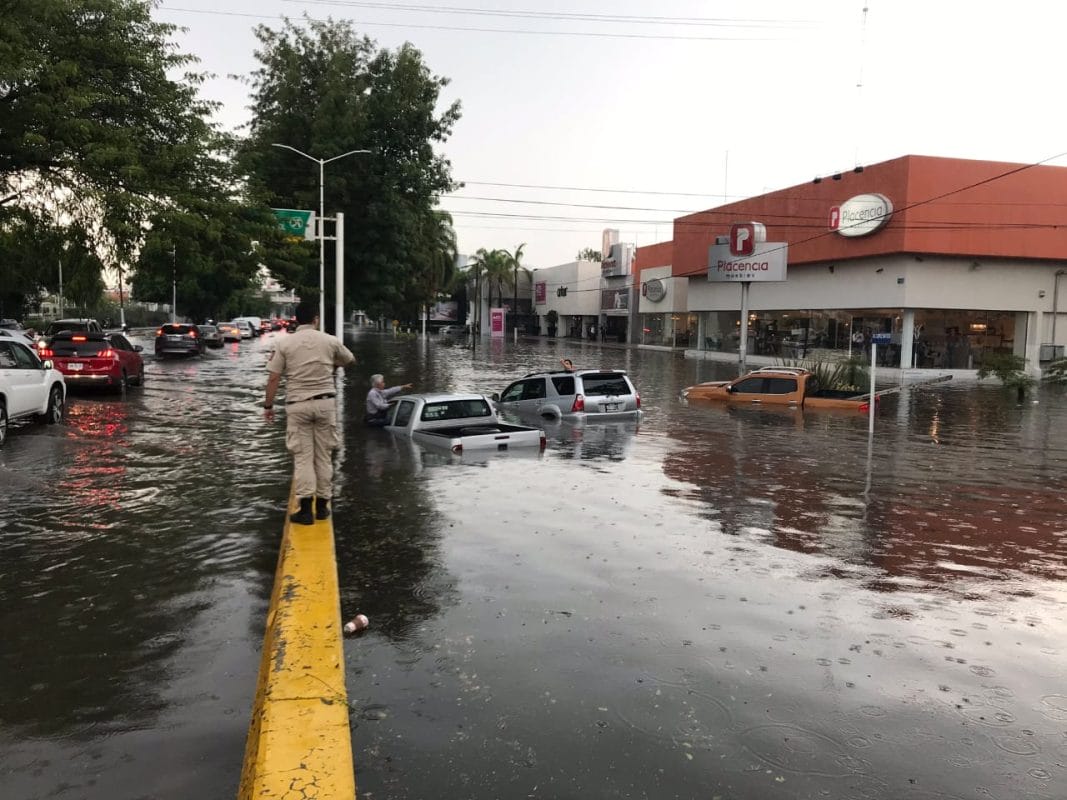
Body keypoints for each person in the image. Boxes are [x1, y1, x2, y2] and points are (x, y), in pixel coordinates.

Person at [263, 299, 356, 525]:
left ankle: (305, 510)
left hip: (298, 405)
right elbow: (350, 360)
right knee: (324, 456)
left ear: (296, 320)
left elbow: (274, 378)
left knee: (303, 457)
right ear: (316, 319)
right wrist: (331, 365)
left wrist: (268, 406)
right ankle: (323, 507)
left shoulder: (284, 344)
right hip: (325, 403)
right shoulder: (330, 341)